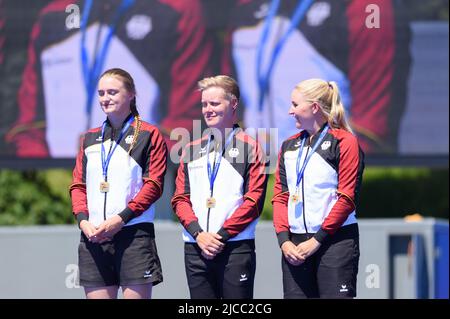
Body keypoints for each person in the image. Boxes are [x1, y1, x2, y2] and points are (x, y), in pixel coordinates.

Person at [6, 0, 212, 157]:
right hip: (59, 187)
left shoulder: (178, 10)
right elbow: (29, 127)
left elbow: (184, 125)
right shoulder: (51, 16)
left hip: (142, 190)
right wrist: (47, 173)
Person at [223, 0, 411, 154]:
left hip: (324, 177)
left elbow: (371, 130)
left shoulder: (367, 7)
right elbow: (230, 103)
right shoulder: (244, 8)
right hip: (258, 175)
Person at [69, 68, 167, 299]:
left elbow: (153, 185)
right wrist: (83, 221)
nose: (105, 98)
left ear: (131, 94)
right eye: (101, 93)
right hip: (93, 235)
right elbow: (78, 186)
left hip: (132, 234)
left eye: (113, 92)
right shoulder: (89, 138)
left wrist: (120, 219)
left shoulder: (149, 134)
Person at [171, 75, 268, 299]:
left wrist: (220, 236)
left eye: (214, 103)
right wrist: (199, 234)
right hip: (196, 247)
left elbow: (253, 202)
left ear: (233, 104)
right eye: (204, 104)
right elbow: (180, 199)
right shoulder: (191, 148)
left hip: (234, 246)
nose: (208, 110)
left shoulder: (250, 147)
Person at [272, 78, 364, 298]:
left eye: (295, 105)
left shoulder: (344, 141)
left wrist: (317, 240)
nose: (289, 111)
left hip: (334, 241)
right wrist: (284, 241)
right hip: (295, 246)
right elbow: (280, 197)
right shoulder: (288, 146)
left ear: (314, 107)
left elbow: (346, 198)